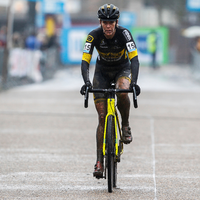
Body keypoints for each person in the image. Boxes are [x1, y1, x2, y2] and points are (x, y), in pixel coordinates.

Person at [80, 4, 140, 178]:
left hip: (122, 69)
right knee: (101, 117)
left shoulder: (124, 34)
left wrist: (134, 82)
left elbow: (134, 59)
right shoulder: (93, 36)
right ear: (100, 22)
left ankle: (126, 124)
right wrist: (86, 82)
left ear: (116, 23)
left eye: (111, 22)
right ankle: (99, 161)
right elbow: (85, 61)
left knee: (123, 91)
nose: (108, 25)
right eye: (105, 22)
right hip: (102, 72)